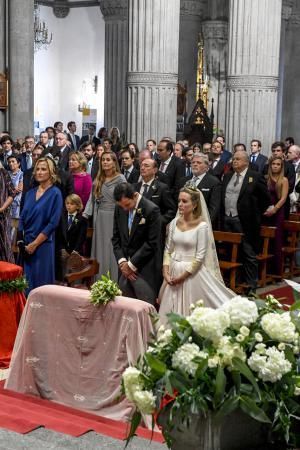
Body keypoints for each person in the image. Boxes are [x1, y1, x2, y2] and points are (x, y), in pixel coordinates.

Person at [158, 186, 234, 322]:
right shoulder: (174, 222)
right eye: (179, 201)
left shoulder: (202, 226)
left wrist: (183, 276)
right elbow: (168, 250)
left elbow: (200, 257)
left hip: (191, 273)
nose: (180, 204)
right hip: (173, 270)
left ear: (194, 205)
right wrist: (165, 271)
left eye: (184, 201)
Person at [222, 151, 271, 293]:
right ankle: (235, 283)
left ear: (246, 162)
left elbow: (265, 199)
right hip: (228, 219)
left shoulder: (254, 177)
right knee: (231, 252)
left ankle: (251, 287)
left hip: (245, 222)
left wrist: (254, 212)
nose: (234, 161)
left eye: (237, 159)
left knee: (248, 253)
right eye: (233, 159)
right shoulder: (228, 176)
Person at [112, 182, 162, 304]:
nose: (124, 209)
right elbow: (116, 238)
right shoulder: (120, 208)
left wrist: (131, 265)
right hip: (124, 270)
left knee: (145, 310)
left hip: (144, 269)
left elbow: (152, 243)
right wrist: (122, 261)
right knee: (125, 309)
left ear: (134, 196)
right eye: (121, 206)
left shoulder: (151, 210)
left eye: (127, 205)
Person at [18, 157, 63, 293]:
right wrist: (21, 240)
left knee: (41, 288)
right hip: (26, 246)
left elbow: (53, 223)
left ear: (51, 172)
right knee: (25, 286)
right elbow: (22, 218)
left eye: (43, 169)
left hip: (43, 246)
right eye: (37, 169)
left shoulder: (56, 193)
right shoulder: (29, 193)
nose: (39, 172)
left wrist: (35, 244)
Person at [83, 151, 126, 280]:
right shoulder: (98, 178)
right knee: (100, 249)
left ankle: (112, 281)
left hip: (114, 217)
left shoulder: (121, 178)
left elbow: (124, 200)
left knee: (111, 249)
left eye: (108, 160)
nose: (105, 162)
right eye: (103, 160)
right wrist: (86, 214)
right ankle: (99, 280)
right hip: (99, 217)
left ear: (114, 162)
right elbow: (92, 199)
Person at [263, 156, 289, 275]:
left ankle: (276, 271)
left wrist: (274, 210)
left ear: (281, 166)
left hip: (278, 213)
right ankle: (264, 270)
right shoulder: (265, 179)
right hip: (266, 212)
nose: (275, 166)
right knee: (265, 240)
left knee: (277, 240)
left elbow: (283, 198)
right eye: (273, 164)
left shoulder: (284, 180)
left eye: (278, 164)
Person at [57, 194, 88, 279]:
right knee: (62, 273)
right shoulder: (61, 217)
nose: (69, 206)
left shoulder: (82, 219)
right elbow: (59, 235)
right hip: (63, 251)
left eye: (72, 204)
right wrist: (62, 248)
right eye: (67, 203)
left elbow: (82, 237)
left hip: (76, 251)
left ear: (78, 206)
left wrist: (75, 250)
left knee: (74, 274)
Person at [0, 163, 15, 262]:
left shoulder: (3, 173)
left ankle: (10, 276)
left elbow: (12, 193)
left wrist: (1, 209)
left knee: (5, 245)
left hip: (2, 216)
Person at [7, 155, 23, 242]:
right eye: (9, 162)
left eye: (13, 161)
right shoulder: (6, 174)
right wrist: (13, 188)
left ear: (18, 163)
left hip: (17, 205)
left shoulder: (22, 174)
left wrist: (9, 189)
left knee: (15, 228)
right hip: (6, 204)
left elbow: (20, 189)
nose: (11, 163)